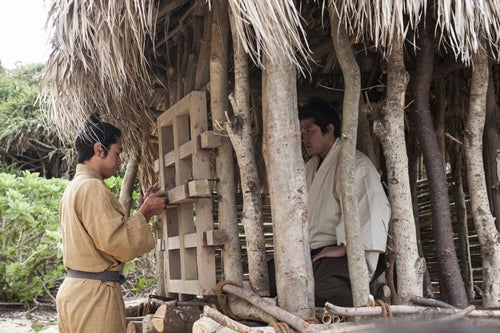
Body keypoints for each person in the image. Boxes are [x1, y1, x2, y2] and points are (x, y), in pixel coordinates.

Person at [56, 118, 167, 333]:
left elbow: (99, 236)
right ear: (99, 149)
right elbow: (116, 243)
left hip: (75, 293)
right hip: (94, 296)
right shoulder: (92, 187)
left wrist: (142, 211)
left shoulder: (74, 188)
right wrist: (144, 214)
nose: (119, 160)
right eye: (117, 152)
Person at [299, 96, 390, 307]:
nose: (304, 137)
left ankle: (368, 313)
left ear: (329, 129)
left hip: (350, 251)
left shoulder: (356, 165)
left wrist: (344, 247)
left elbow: (373, 207)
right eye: (301, 132)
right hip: (317, 251)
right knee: (276, 279)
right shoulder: (310, 167)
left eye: (309, 130)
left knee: (321, 287)